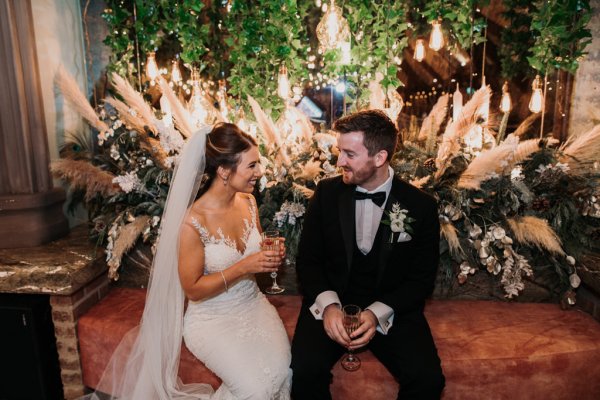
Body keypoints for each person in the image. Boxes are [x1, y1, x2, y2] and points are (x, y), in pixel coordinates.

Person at [90, 123, 291, 399]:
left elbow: (254, 258)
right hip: (212, 320)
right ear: (223, 170)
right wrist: (245, 266)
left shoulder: (248, 202)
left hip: (253, 305)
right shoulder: (192, 223)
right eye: (252, 166)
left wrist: (270, 257)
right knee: (254, 389)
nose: (259, 172)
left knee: (282, 372)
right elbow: (193, 289)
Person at [290, 110, 445, 399]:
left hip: (392, 308)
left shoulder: (420, 206)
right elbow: (308, 262)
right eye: (340, 152)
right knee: (305, 370)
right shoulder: (326, 194)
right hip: (332, 302)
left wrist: (376, 314)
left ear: (380, 157)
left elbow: (421, 280)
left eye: (349, 153)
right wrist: (328, 307)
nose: (339, 162)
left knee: (427, 379)